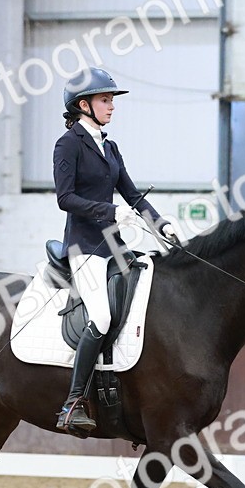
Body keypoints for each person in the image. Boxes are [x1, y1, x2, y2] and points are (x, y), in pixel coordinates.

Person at [52, 67, 178, 436]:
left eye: (110, 100)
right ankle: (73, 402)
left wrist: (161, 225)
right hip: (85, 246)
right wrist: (110, 212)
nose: (111, 106)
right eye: (105, 99)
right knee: (102, 318)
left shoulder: (109, 146)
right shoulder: (69, 144)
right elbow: (65, 198)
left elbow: (132, 194)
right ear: (83, 104)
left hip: (114, 246)